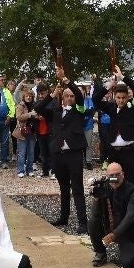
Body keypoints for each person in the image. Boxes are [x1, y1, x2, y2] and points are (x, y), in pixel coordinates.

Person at [38, 78, 88, 233]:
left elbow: (79, 96)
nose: (70, 98)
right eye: (67, 95)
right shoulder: (55, 112)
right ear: (62, 97)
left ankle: (83, 222)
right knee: (63, 187)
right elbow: (39, 107)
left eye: (72, 96)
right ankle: (64, 217)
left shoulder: (79, 111)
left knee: (77, 188)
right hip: (58, 154)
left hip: (74, 153)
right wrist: (52, 94)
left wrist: (68, 82)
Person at [89, 162, 134, 268]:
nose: (115, 177)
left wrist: (114, 234)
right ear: (107, 176)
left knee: (129, 263)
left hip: (128, 231)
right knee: (93, 221)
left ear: (123, 174)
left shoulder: (133, 191)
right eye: (111, 175)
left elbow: (130, 217)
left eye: (117, 174)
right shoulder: (103, 187)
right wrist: (96, 199)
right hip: (108, 225)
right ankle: (100, 252)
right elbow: (95, 213)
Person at [93, 72, 134, 185]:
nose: (121, 100)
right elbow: (95, 100)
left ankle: (132, 196)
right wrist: (109, 85)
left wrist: (122, 77)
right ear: (114, 97)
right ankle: (114, 196)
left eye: (123, 98)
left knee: (131, 181)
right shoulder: (111, 107)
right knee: (113, 181)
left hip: (130, 151)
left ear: (128, 97)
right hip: (113, 152)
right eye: (118, 98)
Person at [13, 88, 39, 177]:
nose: (28, 97)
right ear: (24, 97)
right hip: (22, 132)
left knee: (31, 152)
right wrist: (30, 114)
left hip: (32, 131)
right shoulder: (20, 105)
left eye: (30, 96)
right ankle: (20, 170)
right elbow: (18, 117)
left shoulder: (35, 105)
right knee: (22, 152)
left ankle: (30, 170)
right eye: (27, 96)